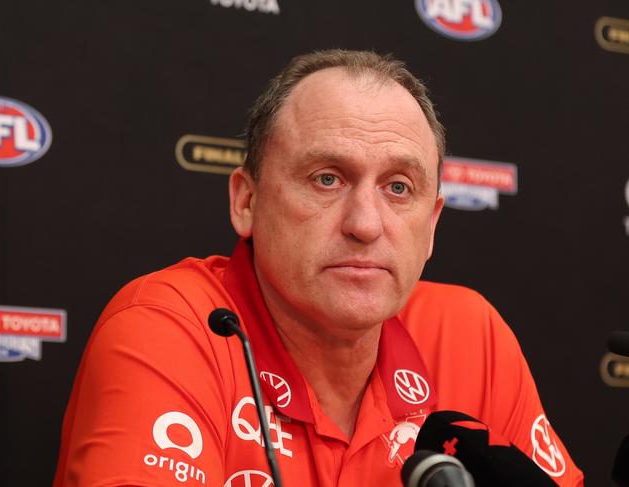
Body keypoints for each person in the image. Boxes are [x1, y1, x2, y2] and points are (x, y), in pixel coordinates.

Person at [53, 49, 584, 486]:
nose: (366, 224)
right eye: (327, 178)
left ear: (433, 226)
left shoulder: (470, 333)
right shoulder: (171, 326)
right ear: (247, 201)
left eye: (399, 188)